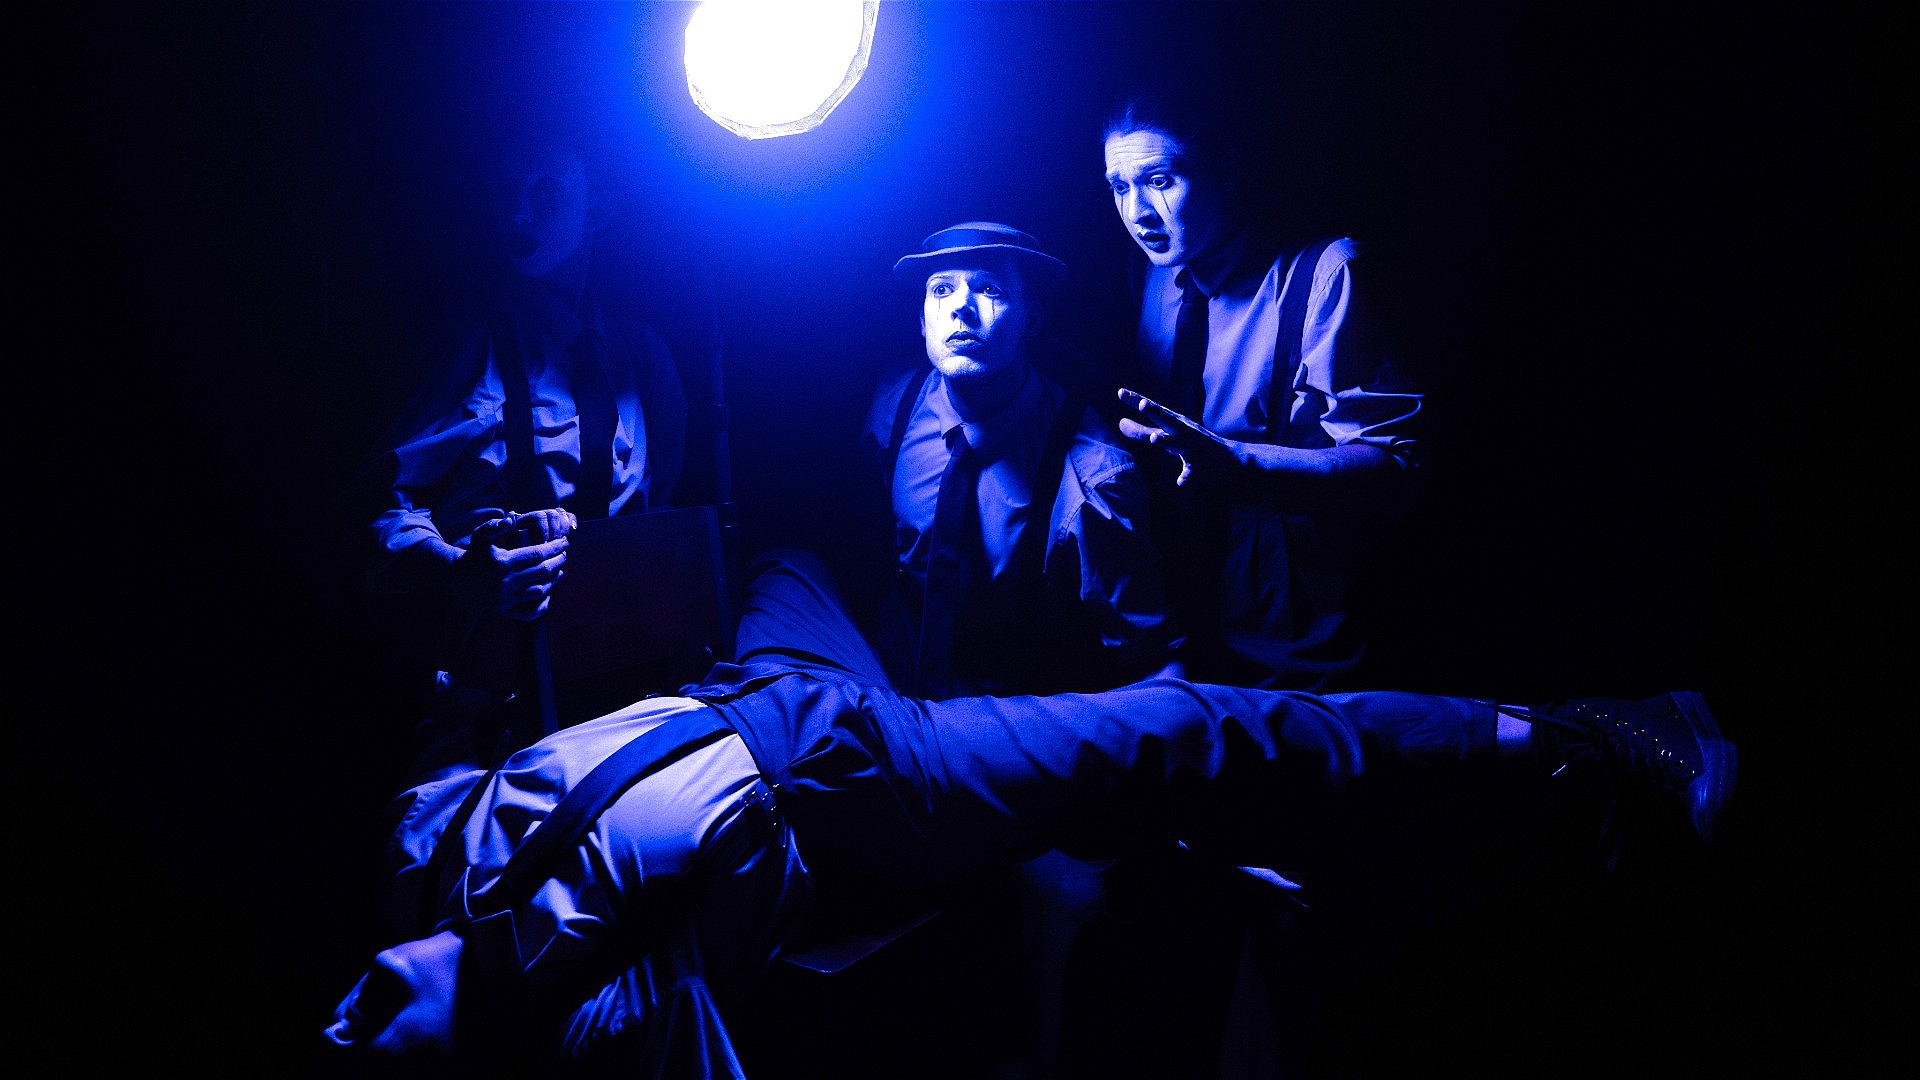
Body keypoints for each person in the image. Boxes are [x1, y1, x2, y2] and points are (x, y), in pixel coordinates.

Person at [323, 549, 1737, 1077]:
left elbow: (466, 708)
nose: (341, 1026)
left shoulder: (415, 861)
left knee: (784, 552)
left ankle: (1020, 747)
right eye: (368, 1065)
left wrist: (497, 594)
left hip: (765, 680)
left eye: (332, 1022)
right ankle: (1592, 741)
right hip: (868, 788)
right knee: (1184, 728)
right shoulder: (579, 1018)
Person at [359, 143, 688, 772]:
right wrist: (459, 568)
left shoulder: (643, 359)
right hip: (480, 705)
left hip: (620, 700)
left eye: (546, 194)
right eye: (506, 191)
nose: (517, 212)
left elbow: (664, 515)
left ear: (597, 212)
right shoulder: (467, 341)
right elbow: (375, 502)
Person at [1102, 91, 1422, 693]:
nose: (1138, 212)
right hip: (1178, 608)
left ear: (1225, 173)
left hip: (1299, 625)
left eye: (1160, 181)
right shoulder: (1149, 271)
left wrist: (1239, 462)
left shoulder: (1328, 272)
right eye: (1120, 186)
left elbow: (1398, 469)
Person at [862, 222, 1180, 701]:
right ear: (923, 321)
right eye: (941, 290)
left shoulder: (1095, 478)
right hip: (891, 682)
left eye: (989, 289)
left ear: (1030, 321)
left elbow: (1152, 660)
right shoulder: (895, 404)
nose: (961, 308)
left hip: (1016, 711)